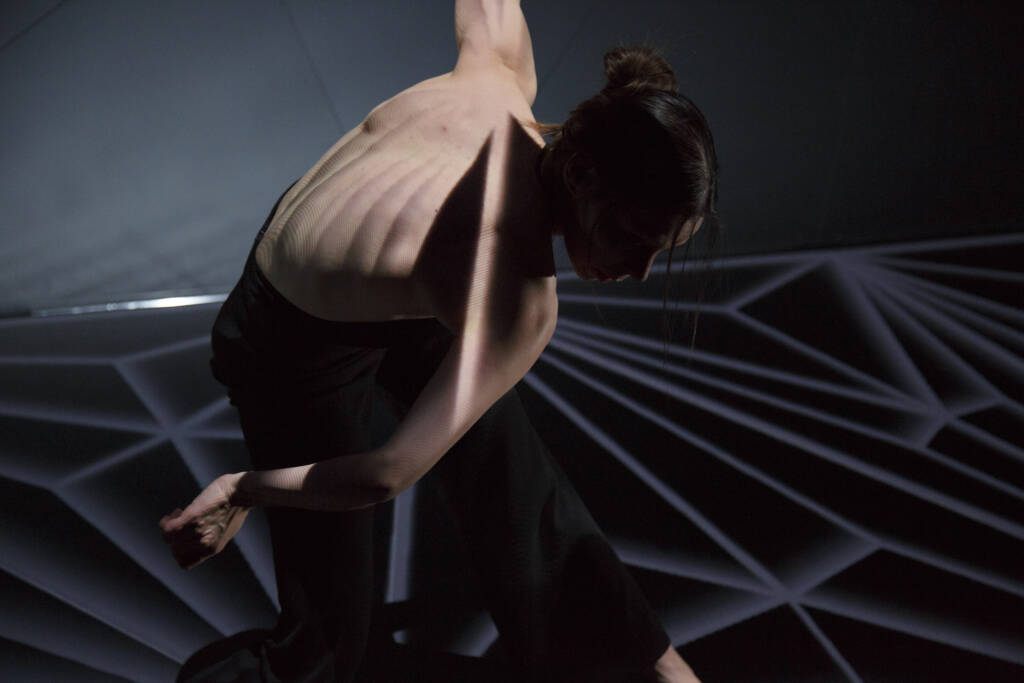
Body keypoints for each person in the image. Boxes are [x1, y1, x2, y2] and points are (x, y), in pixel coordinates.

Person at [159, 1, 717, 681]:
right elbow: (384, 473)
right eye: (633, 237)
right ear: (580, 174)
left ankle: (648, 663)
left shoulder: (498, 71)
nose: (640, 270)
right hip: (285, 346)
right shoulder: (518, 300)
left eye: (660, 252)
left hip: (403, 289)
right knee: (329, 647)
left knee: (514, 470)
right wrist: (242, 488)